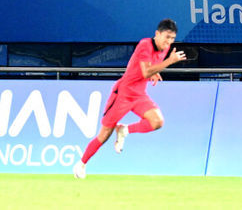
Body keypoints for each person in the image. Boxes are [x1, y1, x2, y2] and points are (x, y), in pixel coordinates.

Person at [74, 18, 186, 178]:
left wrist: (155, 71)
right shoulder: (145, 44)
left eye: (172, 39)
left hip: (139, 94)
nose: (169, 42)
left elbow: (147, 67)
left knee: (157, 121)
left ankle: (124, 129)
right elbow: (145, 71)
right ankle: (81, 164)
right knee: (105, 134)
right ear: (157, 34)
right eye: (166, 37)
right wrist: (168, 63)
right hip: (123, 94)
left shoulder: (165, 50)